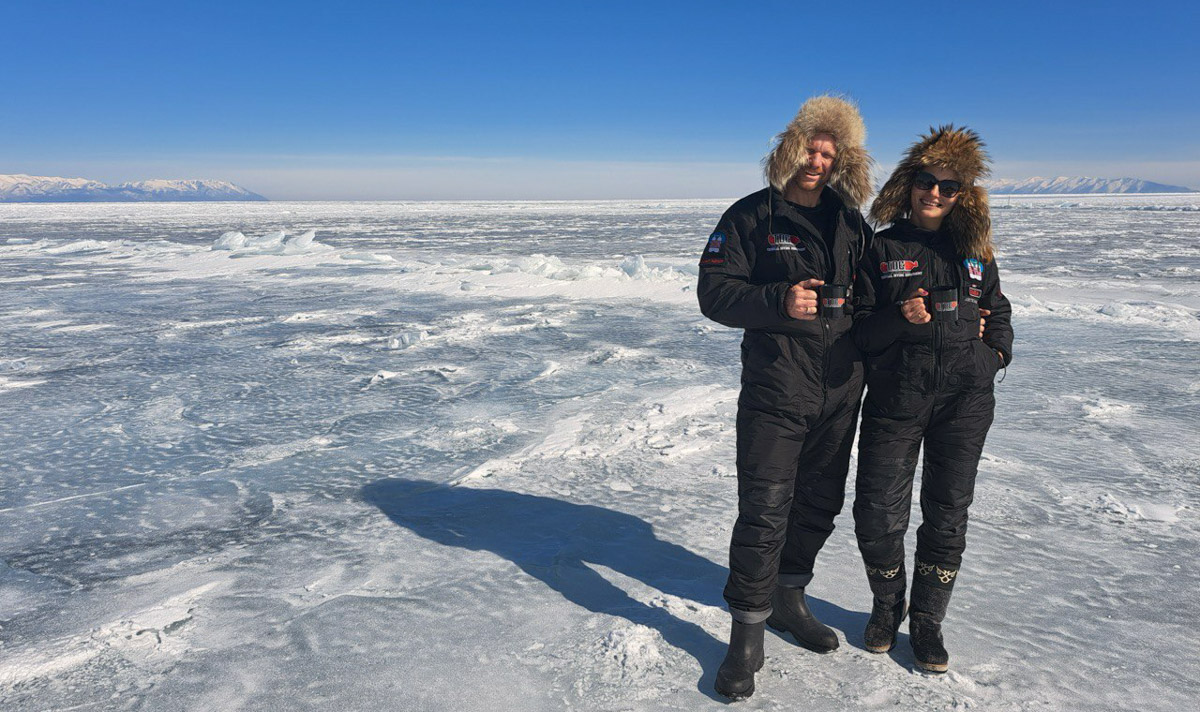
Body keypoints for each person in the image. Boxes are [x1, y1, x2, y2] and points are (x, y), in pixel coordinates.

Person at [697, 95, 874, 700]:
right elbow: (714, 295)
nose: (816, 161)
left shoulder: (851, 221)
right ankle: (745, 636)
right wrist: (778, 302)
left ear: (840, 160)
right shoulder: (751, 217)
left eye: (828, 153)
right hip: (777, 390)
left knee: (819, 503)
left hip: (840, 389)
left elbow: (873, 293)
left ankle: (789, 599)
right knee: (765, 512)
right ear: (788, 148)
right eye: (809, 149)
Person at [850, 126, 1012, 673]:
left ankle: (927, 623)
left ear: (962, 194)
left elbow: (999, 309)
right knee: (876, 513)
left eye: (949, 186)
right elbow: (859, 332)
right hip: (898, 398)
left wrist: (997, 355)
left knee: (947, 516)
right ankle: (885, 607)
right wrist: (901, 316)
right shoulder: (882, 246)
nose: (936, 194)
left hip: (965, 403)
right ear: (909, 184)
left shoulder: (975, 251)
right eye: (927, 182)